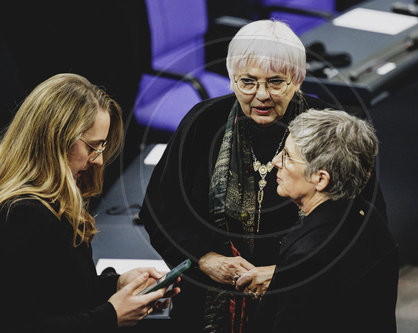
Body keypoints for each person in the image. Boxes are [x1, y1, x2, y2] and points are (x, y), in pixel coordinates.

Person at [139, 19, 386, 332]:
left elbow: (363, 225)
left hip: (304, 301)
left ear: (297, 79)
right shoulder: (203, 123)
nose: (261, 95)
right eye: (248, 81)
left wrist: (284, 274)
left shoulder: (330, 133)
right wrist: (205, 258)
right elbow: (160, 209)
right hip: (208, 303)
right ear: (232, 80)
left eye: (276, 82)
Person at [0, 73, 180, 333]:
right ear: (56, 140)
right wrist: (112, 316)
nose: (98, 160)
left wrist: (117, 285)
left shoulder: (48, 205)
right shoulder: (23, 216)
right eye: (92, 147)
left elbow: (62, 294)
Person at [245, 108, 399, 332]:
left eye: (287, 155)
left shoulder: (308, 255)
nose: (276, 160)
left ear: (320, 179)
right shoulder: (367, 215)